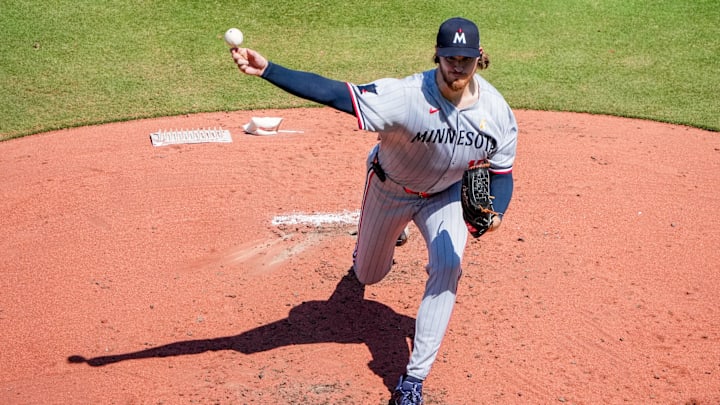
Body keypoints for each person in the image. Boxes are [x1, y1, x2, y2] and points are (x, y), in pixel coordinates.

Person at [230, 16, 517, 405]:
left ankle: (413, 380)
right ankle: (389, 236)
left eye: (465, 59)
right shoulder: (404, 95)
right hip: (391, 188)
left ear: (478, 57)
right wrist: (268, 70)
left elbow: (502, 174)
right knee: (369, 272)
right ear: (437, 55)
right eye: (450, 57)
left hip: (445, 196)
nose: (457, 66)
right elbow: (335, 93)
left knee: (449, 266)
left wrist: (495, 212)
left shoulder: (497, 114)